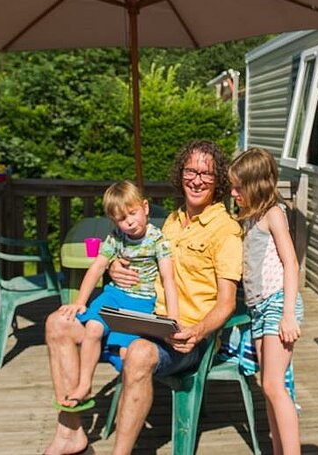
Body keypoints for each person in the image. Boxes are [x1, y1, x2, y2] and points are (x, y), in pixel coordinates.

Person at [105, 140, 243, 454]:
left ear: (218, 180)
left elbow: (226, 304)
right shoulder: (171, 221)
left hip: (193, 338)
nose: (197, 180)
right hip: (154, 323)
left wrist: (196, 332)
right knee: (72, 327)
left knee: (137, 354)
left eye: (206, 174)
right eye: (191, 171)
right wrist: (115, 265)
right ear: (180, 174)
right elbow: (142, 258)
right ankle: (70, 431)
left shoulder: (226, 231)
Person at [48, 180, 178, 412]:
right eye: (121, 218)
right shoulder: (116, 237)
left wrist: (173, 316)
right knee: (93, 329)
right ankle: (85, 384)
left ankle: (127, 400)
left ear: (145, 207)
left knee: (128, 352)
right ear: (113, 221)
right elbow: (97, 267)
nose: (129, 222)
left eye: (133, 213)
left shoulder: (158, 240)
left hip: (142, 303)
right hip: (114, 295)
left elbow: (169, 278)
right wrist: (80, 302)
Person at [228, 147, 303, 455]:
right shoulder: (249, 217)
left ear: (255, 185)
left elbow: (291, 263)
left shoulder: (273, 213)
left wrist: (287, 314)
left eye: (237, 186)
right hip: (259, 309)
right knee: (268, 386)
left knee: (274, 385)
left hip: (276, 304)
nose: (232, 192)